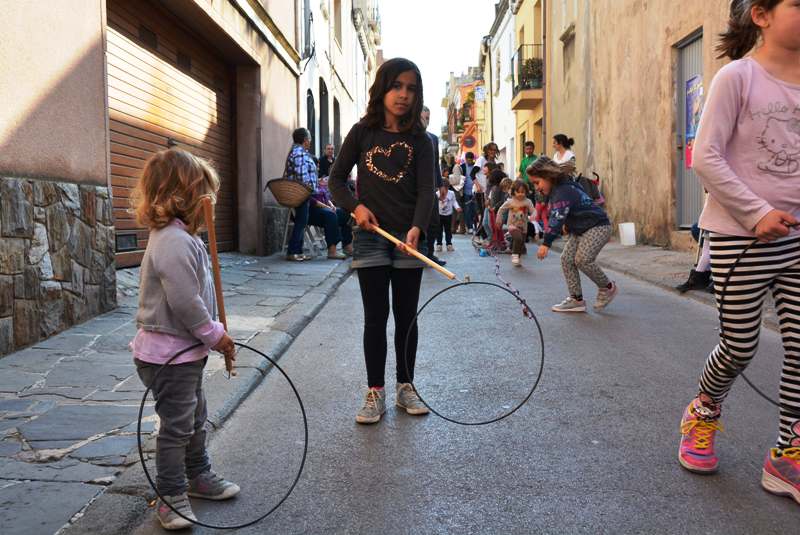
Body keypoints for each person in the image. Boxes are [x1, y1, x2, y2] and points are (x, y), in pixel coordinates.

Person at [676, 0, 800, 504]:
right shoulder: (738, 79)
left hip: (796, 239)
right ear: (762, 15)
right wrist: (755, 213)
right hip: (739, 236)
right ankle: (703, 409)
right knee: (740, 345)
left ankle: (787, 456)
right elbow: (703, 156)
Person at [129, 148, 239, 530]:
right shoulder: (173, 242)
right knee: (178, 425)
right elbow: (185, 301)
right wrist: (215, 335)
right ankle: (171, 493)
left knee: (195, 416)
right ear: (182, 196)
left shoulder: (179, 238)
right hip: (169, 356)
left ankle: (199, 475)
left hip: (182, 353)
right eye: (203, 194)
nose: (209, 202)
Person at [328, 57, 434, 424]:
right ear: (383, 88)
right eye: (397, 86)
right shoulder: (361, 133)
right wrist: (356, 207)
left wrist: (418, 227)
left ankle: (406, 386)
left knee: (407, 317)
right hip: (371, 237)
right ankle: (376, 392)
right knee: (376, 318)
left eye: (411, 89)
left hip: (410, 239)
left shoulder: (422, 140)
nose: (404, 95)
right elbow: (335, 181)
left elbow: (426, 191)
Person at [529, 157, 617, 313]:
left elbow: (556, 217)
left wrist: (546, 243)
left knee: (582, 260)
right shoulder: (559, 188)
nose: (536, 187)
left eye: (537, 182)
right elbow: (569, 209)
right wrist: (568, 225)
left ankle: (607, 287)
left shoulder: (562, 190)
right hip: (580, 229)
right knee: (567, 259)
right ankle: (576, 299)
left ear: (548, 176)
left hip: (597, 226)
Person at [285, 128, 348, 261]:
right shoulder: (299, 153)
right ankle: (293, 252)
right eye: (309, 138)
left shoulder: (301, 152)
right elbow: (303, 178)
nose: (311, 141)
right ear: (305, 140)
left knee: (304, 221)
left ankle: (297, 251)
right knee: (303, 221)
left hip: (305, 195)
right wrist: (314, 191)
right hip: (302, 195)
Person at [421, 105, 446, 266]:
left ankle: (429, 254)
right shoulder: (408, 137)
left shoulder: (433, 138)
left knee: (434, 222)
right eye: (423, 117)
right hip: (413, 189)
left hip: (430, 188)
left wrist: (441, 184)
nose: (426, 121)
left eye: (428, 118)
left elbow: (436, 163)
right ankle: (418, 254)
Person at [497, 180, 535, 267]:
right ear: (514, 191)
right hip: (512, 225)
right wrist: (499, 219)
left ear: (526, 191)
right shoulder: (510, 201)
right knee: (518, 239)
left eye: (523, 192)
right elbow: (501, 209)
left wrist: (534, 215)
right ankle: (514, 256)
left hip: (523, 226)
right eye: (518, 192)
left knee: (521, 244)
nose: (520, 194)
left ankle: (518, 259)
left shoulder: (528, 201)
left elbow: (533, 210)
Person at [313, 176, 354, 256]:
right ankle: (332, 250)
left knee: (345, 213)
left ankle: (347, 245)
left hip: (324, 207)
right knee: (330, 215)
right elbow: (311, 200)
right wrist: (327, 207)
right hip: (313, 209)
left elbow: (326, 197)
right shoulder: (306, 184)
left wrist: (331, 205)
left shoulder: (317, 183)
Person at [435, 184, 461, 252]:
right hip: (439, 214)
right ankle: (439, 244)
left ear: (448, 187)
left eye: (446, 189)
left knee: (448, 230)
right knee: (439, 230)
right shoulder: (437, 194)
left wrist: (457, 207)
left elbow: (454, 201)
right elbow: (434, 204)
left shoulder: (451, 193)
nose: (444, 191)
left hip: (448, 214)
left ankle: (449, 244)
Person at [460, 152, 479, 233]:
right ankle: (470, 227)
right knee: (467, 210)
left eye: (470, 160)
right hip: (466, 192)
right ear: (465, 159)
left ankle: (475, 225)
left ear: (473, 159)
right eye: (467, 160)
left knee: (475, 210)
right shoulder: (462, 167)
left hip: (475, 191)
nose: (469, 161)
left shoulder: (476, 167)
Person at [448, 163, 466, 233]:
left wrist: (447, 180)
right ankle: (454, 228)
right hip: (456, 191)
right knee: (456, 210)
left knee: (457, 209)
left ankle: (461, 228)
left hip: (456, 191)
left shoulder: (455, 167)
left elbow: (456, 180)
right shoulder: (457, 166)